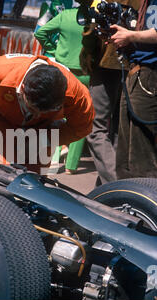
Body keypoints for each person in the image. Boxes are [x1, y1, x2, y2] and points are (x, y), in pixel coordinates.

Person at [0, 54, 94, 173]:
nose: (35, 114)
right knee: (2, 174)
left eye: (43, 111)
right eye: (33, 109)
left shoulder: (76, 95)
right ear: (22, 89)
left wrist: (45, 139)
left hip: (42, 130)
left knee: (31, 182)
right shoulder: (1, 70)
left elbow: (82, 127)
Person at [79, 0, 139, 185]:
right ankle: (109, 185)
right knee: (117, 130)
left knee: (96, 129)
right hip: (135, 66)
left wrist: (87, 54)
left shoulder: (103, 2)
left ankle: (116, 184)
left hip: (106, 64)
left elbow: (90, 32)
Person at [35, 7, 89, 175]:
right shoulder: (94, 18)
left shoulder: (65, 15)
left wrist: (53, 50)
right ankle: (71, 165)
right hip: (86, 72)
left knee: (58, 111)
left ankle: (53, 157)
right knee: (82, 113)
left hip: (63, 69)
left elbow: (40, 33)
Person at [109, 0, 157, 179]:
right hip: (136, 70)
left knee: (140, 151)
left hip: (150, 74)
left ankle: (145, 202)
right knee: (125, 148)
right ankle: (125, 198)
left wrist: (130, 36)